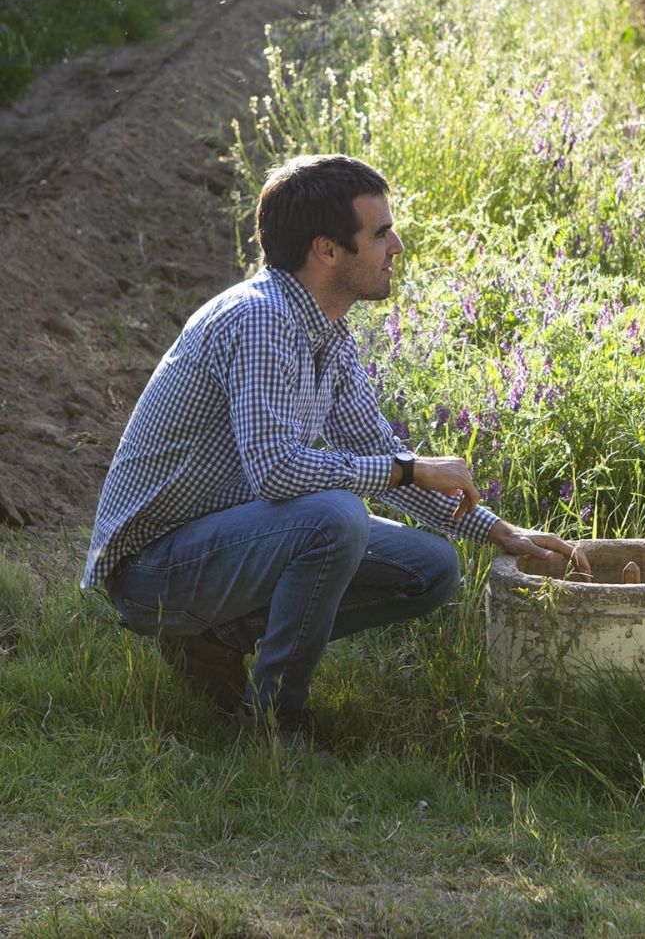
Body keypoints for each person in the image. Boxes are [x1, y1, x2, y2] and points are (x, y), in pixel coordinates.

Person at [82, 154, 589, 735]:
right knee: (336, 516)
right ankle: (277, 720)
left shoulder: (328, 331)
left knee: (433, 568)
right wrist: (406, 470)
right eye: (379, 233)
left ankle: (216, 639)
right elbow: (279, 473)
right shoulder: (260, 319)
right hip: (154, 572)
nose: (396, 246)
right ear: (327, 250)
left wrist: (502, 533)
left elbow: (377, 449)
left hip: (225, 547)